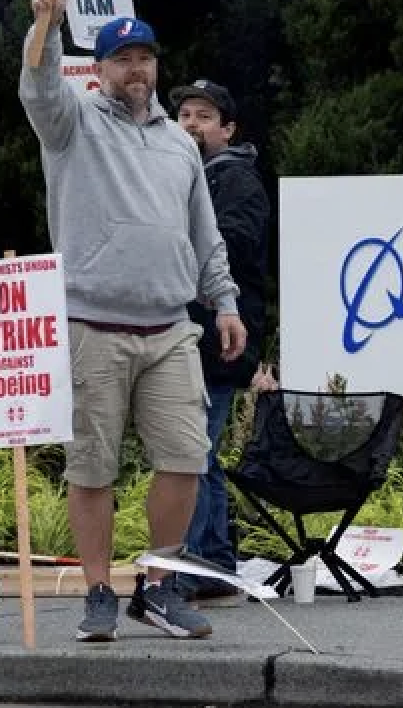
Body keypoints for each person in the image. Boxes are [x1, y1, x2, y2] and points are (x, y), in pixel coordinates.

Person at [19, 0, 247, 643]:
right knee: (92, 467)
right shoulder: (71, 123)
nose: (136, 70)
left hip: (173, 327)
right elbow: (37, 85)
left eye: (145, 58)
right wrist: (47, 24)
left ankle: (159, 587)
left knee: (185, 459)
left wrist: (225, 302)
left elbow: (205, 235)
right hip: (91, 326)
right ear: (98, 69)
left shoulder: (180, 145)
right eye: (122, 59)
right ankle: (97, 594)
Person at [169, 79, 276, 601]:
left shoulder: (236, 180)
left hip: (221, 338)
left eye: (204, 116)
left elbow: (227, 246)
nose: (191, 124)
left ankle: (197, 565)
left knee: (195, 453)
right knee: (201, 453)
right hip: (197, 335)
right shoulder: (189, 176)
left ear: (228, 129)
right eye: (185, 114)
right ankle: (213, 562)